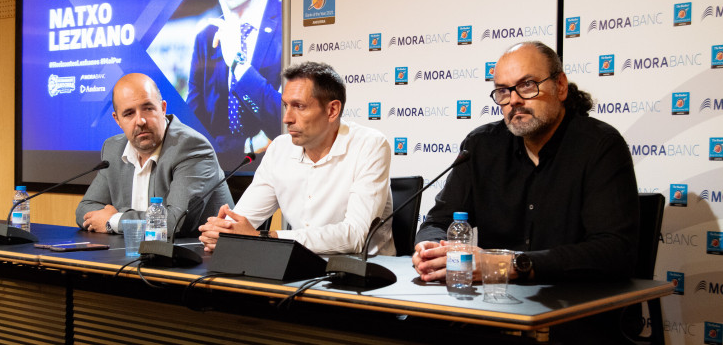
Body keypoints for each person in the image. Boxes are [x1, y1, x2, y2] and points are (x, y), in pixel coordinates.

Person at [413, 41, 639, 283]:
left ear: (560, 86)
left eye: (527, 85)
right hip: (494, 305)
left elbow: (615, 250)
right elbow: (438, 221)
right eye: (503, 90)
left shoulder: (600, 145)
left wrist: (510, 265)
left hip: (575, 303)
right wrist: (431, 249)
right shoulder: (481, 146)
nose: (514, 100)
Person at [198, 62, 396, 255]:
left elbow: (355, 235)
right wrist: (221, 231)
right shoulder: (279, 148)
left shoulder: (370, 145)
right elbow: (240, 221)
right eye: (285, 106)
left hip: (365, 273)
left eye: (299, 106)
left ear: (332, 110)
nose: (287, 118)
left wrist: (265, 237)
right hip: (300, 266)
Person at [77, 73, 233, 237]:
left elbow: (174, 222)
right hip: (133, 254)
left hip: (198, 256)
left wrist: (114, 220)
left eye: (148, 108)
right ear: (117, 120)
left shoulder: (191, 147)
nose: (140, 121)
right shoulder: (113, 148)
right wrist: (126, 220)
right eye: (129, 113)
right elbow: (85, 209)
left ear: (163, 108)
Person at [187, 0, 282, 159]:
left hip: (278, 175)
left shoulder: (291, 22)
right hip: (219, 175)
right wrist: (248, 145)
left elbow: (287, 121)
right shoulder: (207, 37)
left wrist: (238, 64)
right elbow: (192, 132)